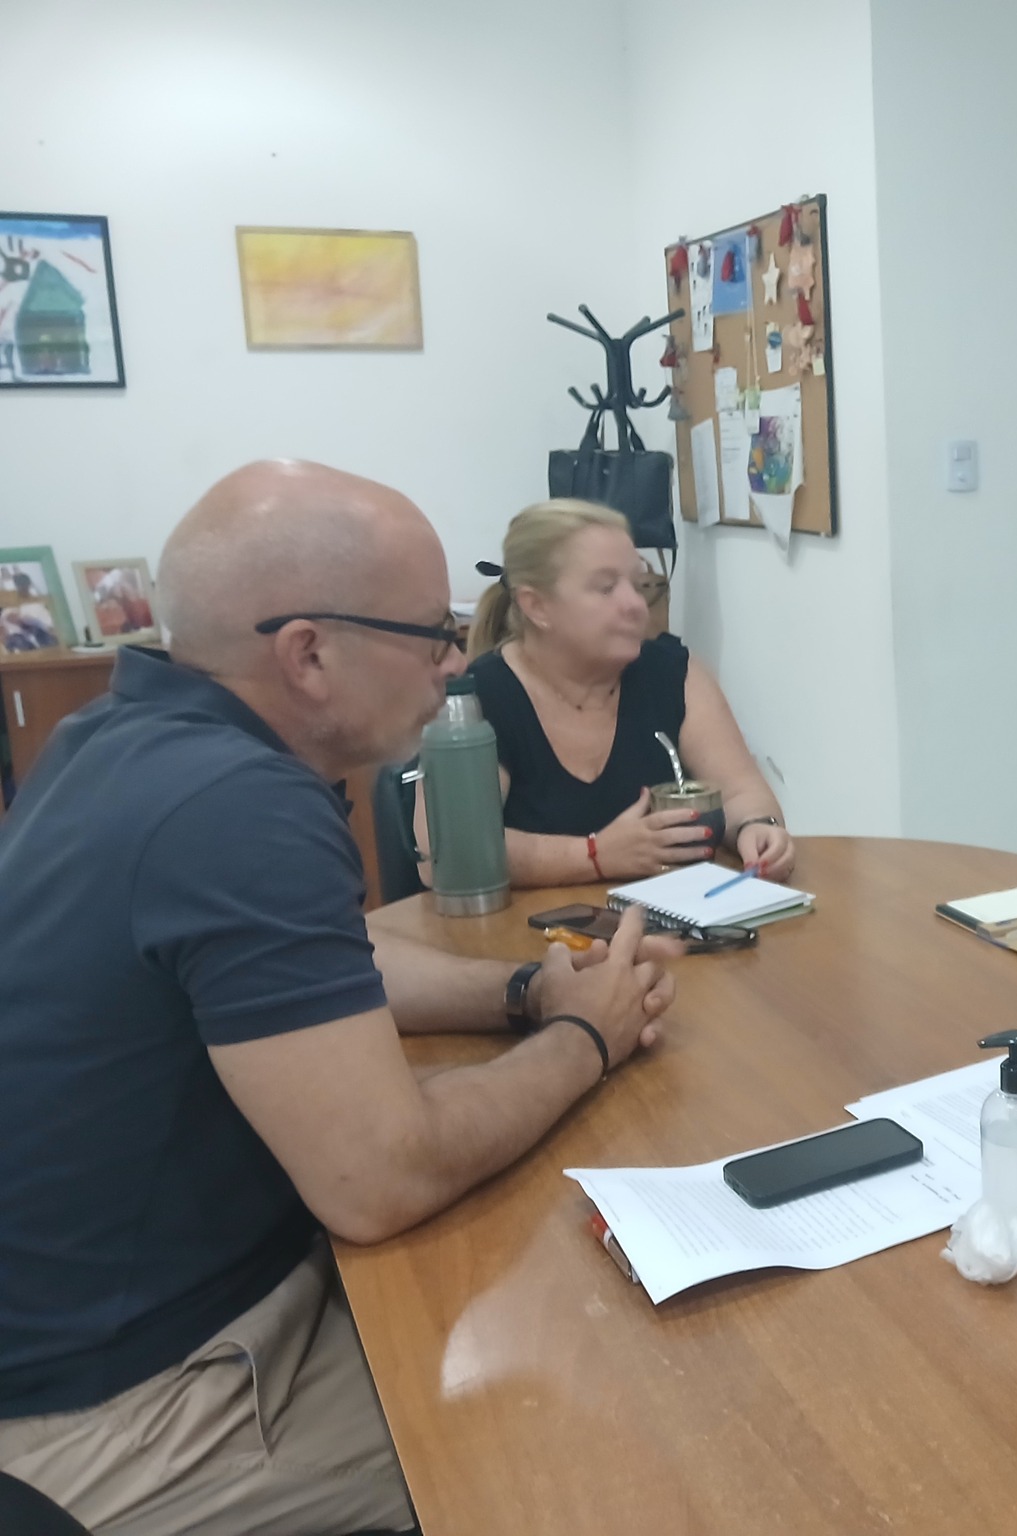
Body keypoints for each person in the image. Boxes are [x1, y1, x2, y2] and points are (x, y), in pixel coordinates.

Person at [0, 461, 685, 1534]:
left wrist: (522, 990)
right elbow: (380, 1178)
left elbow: (323, 962)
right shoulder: (239, 806)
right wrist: (581, 1037)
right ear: (308, 653)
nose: (453, 660)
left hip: (92, 1323)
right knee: (605, 1420)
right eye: (431, 633)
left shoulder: (118, 737)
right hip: (126, 1401)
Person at [456, 499, 795, 886]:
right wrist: (594, 856)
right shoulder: (477, 699)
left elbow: (740, 792)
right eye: (606, 588)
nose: (635, 605)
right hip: (522, 921)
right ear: (537, 606)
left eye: (637, 584)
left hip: (667, 915)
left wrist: (758, 827)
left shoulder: (674, 674)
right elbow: (454, 852)